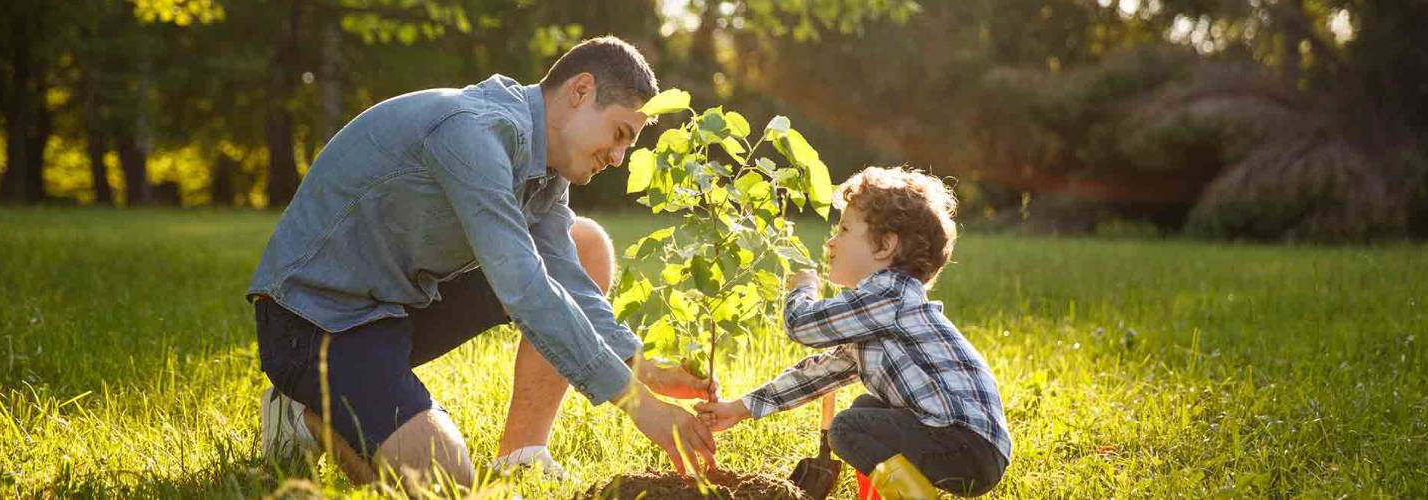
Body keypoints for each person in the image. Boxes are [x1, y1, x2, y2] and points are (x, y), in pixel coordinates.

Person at [248, 35, 716, 487]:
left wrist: (642, 367)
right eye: (619, 134)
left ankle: (522, 456)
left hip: (395, 307)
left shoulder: (547, 169)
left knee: (585, 244)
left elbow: (567, 278)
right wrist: (641, 406)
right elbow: (526, 289)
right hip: (315, 322)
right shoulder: (474, 133)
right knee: (445, 480)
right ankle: (303, 417)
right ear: (581, 91)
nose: (617, 157)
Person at [695, 167, 1011, 498]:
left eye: (844, 229)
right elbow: (817, 374)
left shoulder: (889, 294)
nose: (831, 242)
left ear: (885, 245)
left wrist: (802, 289)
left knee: (846, 428)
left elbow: (800, 325)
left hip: (964, 441)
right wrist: (739, 408)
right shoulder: (880, 315)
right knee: (865, 410)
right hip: (971, 445)